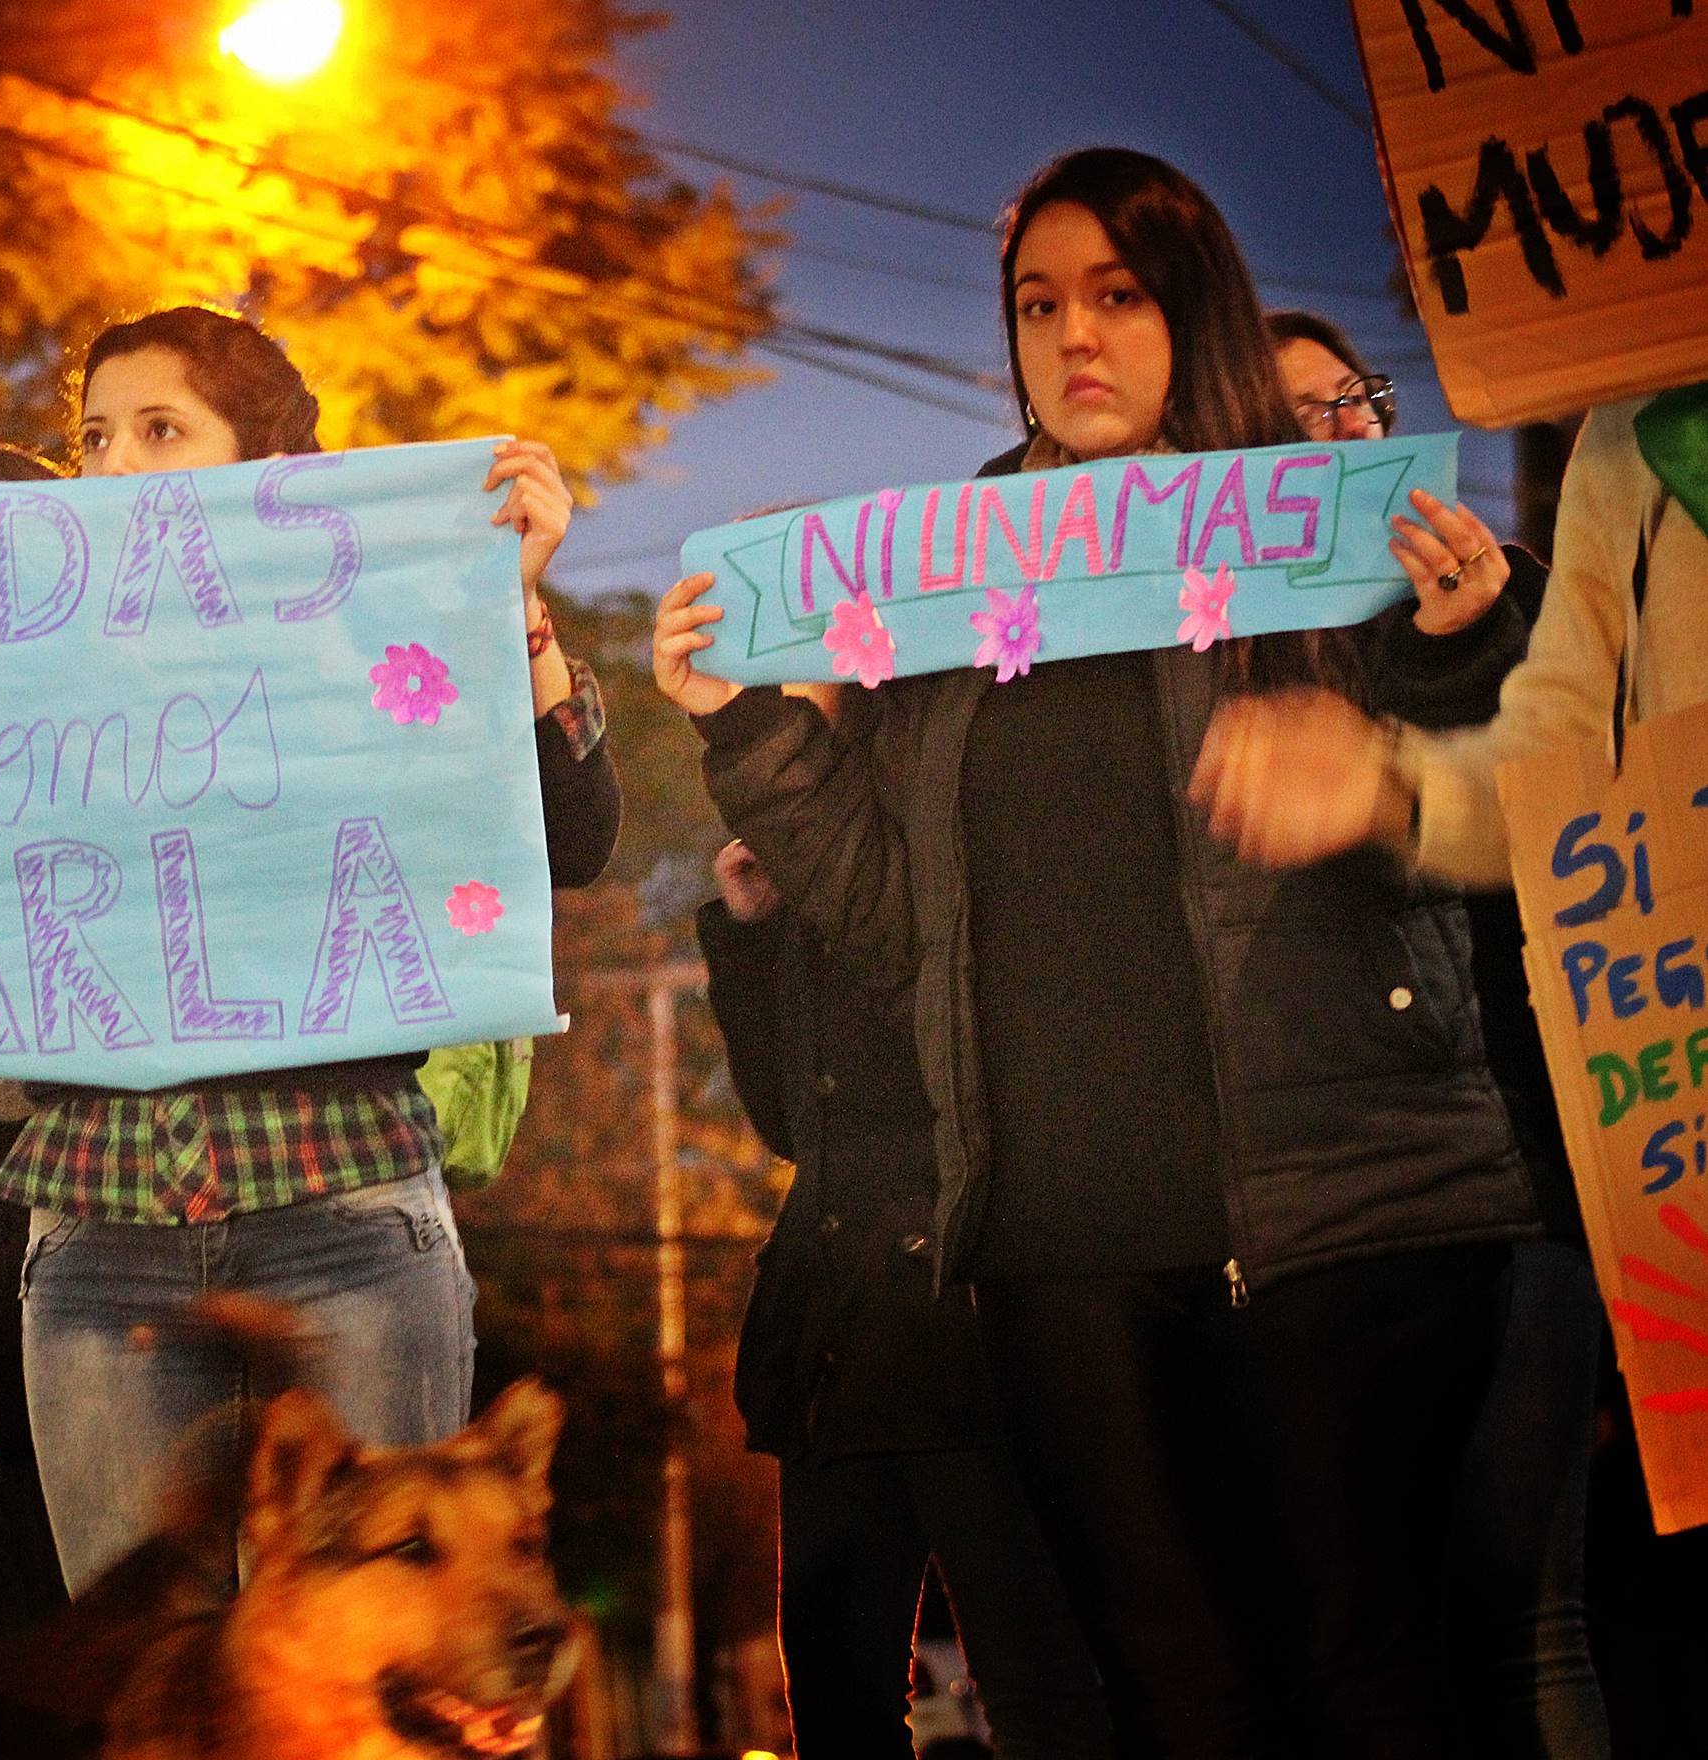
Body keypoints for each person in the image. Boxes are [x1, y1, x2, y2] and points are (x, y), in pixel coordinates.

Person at [655, 148, 1535, 1759]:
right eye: (1037, 304)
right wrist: (748, 732)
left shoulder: (1319, 530)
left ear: (1187, 307)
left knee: (1363, 1679)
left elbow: (1511, 789)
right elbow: (883, 920)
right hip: (1058, 1244)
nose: (1073, 337)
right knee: (1165, 1695)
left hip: (1328, 1212)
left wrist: (1451, 643)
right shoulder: (934, 581)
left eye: (1116, 296)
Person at [0, 305, 623, 1593]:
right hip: (98, 1248)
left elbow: (574, 838)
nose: (115, 466)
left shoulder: (362, 640)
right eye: (95, 436)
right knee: (150, 1677)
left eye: (161, 428)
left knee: (361, 1663)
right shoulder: (3, 673)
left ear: (264, 469)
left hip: (346, 1226)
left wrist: (515, 602)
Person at [1271, 309, 1609, 1760]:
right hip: (1334, 1203)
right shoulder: (1231, 659)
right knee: (1369, 1622)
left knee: (1517, 1598)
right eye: (1288, 417)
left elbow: (1547, 819)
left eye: (1351, 402)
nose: (1338, 435)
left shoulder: (1522, 602)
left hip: (1532, 1169)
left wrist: (1469, 644)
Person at [700, 814, 1109, 1758]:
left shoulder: (946, 837)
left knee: (1035, 1676)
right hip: (837, 1332)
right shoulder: (804, 877)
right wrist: (754, 932)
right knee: (840, 1696)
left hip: (965, 1311)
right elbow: (793, 1122)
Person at [1192, 387, 1707, 884]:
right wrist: (1388, 786)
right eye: (1309, 412)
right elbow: (1569, 759)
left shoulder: (1513, 576)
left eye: (1360, 395)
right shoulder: (1628, 439)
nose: (1351, 421)